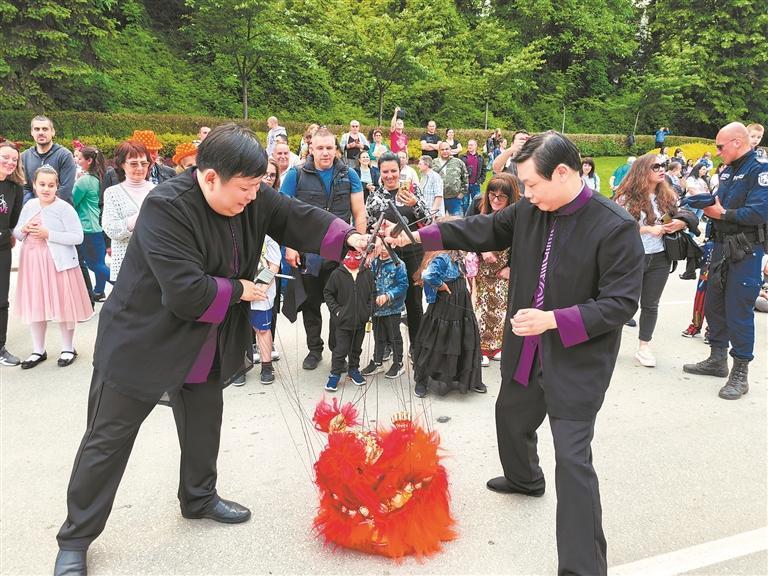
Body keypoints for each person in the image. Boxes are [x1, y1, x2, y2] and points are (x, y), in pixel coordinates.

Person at [52, 124, 370, 575]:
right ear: (209, 177)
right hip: (144, 338)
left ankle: (198, 497)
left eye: (258, 187)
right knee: (108, 439)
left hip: (204, 338)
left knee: (204, 422)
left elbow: (294, 216)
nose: (253, 197)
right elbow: (185, 291)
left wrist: (348, 236)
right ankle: (75, 538)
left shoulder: (250, 193)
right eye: (245, 189)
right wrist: (240, 289)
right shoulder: (166, 207)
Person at [383, 130, 644, 576]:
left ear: (562, 173)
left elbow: (620, 304)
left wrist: (553, 320)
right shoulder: (530, 210)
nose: (527, 193)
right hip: (525, 344)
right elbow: (481, 229)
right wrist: (420, 237)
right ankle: (525, 479)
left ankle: (583, 567)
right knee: (510, 415)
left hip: (575, 358)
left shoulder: (614, 226)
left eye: (533, 185)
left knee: (573, 460)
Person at [683, 122, 768, 400]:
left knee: (739, 310)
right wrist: (694, 202)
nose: (718, 152)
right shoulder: (729, 169)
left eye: (721, 146)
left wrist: (722, 215)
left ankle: (740, 372)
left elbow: (759, 212)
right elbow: (719, 201)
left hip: (745, 250)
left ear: (737, 142)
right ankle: (717, 359)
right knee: (714, 304)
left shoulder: (760, 170)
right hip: (720, 246)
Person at [279, 127, 366, 371]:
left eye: (329, 148)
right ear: (311, 149)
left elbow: (359, 212)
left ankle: (338, 351)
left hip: (341, 251)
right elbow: (283, 214)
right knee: (310, 304)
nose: (325, 152)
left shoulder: (349, 174)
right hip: (309, 252)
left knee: (340, 304)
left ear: (336, 149)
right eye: (320, 148)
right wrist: (290, 246)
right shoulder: (296, 175)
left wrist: (360, 244)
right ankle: (314, 350)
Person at [614, 154, 698, 367]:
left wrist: (677, 223)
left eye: (664, 165)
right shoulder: (625, 197)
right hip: (632, 258)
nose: (662, 169)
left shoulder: (667, 195)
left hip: (660, 257)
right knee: (622, 303)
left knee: (651, 304)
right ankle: (609, 345)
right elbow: (618, 227)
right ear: (643, 170)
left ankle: (644, 346)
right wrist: (647, 229)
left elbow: (676, 216)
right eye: (656, 166)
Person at [13, 166, 92, 370]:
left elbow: (77, 236)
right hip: (33, 264)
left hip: (59, 264)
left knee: (64, 305)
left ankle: (68, 347)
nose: (46, 189)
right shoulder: (30, 205)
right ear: (34, 185)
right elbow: (18, 233)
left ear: (57, 186)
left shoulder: (64, 208)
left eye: (51, 185)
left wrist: (49, 234)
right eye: (42, 184)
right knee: (36, 305)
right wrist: (24, 229)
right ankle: (38, 349)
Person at [366, 152, 431, 350]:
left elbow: (428, 221)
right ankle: (385, 346)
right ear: (379, 172)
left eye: (393, 171)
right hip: (386, 256)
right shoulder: (374, 197)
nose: (389, 175)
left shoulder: (412, 190)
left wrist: (415, 204)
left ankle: (417, 346)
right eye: (385, 171)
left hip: (413, 252)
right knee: (383, 300)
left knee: (414, 302)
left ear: (400, 169)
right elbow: (369, 228)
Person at [411, 231, 484, 397]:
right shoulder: (443, 256)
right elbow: (428, 274)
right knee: (438, 338)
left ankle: (465, 378)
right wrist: (440, 285)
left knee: (461, 339)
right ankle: (423, 380)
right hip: (446, 303)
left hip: (461, 302)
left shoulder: (457, 254)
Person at [473, 174, 520, 368]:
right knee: (482, 307)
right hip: (483, 271)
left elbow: (524, 245)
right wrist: (482, 250)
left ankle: (497, 346)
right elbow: (468, 234)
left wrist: (511, 268)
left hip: (504, 270)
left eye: (502, 196)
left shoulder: (517, 217)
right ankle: (482, 349)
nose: (496, 199)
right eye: (492, 194)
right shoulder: (479, 208)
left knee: (501, 308)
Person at [102, 141, 155, 283]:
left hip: (154, 263)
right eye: (133, 164)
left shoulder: (158, 191)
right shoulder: (112, 193)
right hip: (126, 263)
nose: (140, 168)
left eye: (144, 163)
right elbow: (111, 229)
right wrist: (139, 218)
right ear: (122, 164)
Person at [322, 249, 373, 391]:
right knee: (340, 349)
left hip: (361, 321)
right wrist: (337, 310)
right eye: (349, 254)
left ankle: (354, 370)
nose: (352, 257)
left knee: (356, 348)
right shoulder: (337, 274)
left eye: (356, 254)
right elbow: (328, 293)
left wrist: (368, 310)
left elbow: (373, 293)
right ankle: (335, 374)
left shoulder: (367, 273)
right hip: (343, 322)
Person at [361, 245, 408, 378]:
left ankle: (398, 363)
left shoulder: (398, 264)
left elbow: (403, 285)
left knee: (394, 336)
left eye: (386, 246)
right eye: (380, 246)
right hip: (376, 309)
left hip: (392, 308)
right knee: (378, 336)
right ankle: (377, 362)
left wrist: (388, 296)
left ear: (393, 245)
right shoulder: (373, 263)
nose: (382, 249)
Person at [73, 146, 111, 301]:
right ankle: (99, 292)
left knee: (94, 264)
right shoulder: (100, 178)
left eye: (79, 158)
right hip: (99, 226)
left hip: (87, 227)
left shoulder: (84, 181)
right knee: (99, 262)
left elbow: (72, 202)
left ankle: (124, 286)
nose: (77, 160)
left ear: (89, 160)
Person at [0, 141, 24, 366]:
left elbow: (14, 221)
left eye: (14, 160)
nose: (10, 162)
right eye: (5, 157)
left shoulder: (15, 188)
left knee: (1, 299)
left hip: (2, 249)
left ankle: (0, 347)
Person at [247, 233, 281, 385]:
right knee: (236, 329)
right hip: (237, 288)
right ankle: (239, 366)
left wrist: (261, 289)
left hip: (262, 291)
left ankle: (266, 366)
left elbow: (273, 265)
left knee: (262, 329)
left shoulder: (268, 236)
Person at [21, 115, 77, 204]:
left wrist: (45, 205)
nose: (41, 132)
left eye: (45, 129)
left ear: (53, 132)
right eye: (37, 129)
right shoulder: (25, 156)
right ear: (32, 132)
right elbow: (25, 187)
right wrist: (33, 205)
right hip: (34, 209)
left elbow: (66, 188)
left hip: (60, 208)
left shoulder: (64, 155)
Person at [433, 142, 468, 217]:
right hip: (438, 199)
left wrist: (462, 193)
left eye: (446, 149)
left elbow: (465, 177)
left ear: (450, 150)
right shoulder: (433, 163)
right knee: (438, 221)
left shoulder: (458, 162)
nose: (445, 151)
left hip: (454, 198)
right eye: (442, 149)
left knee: (456, 221)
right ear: (439, 151)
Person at [461, 139, 486, 214]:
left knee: (477, 203)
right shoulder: (463, 157)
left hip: (475, 184)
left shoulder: (480, 158)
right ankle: (465, 218)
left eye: (471, 145)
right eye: (469, 145)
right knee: (465, 204)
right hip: (465, 185)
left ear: (475, 146)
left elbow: (484, 170)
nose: (470, 146)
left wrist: (480, 181)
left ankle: (476, 217)